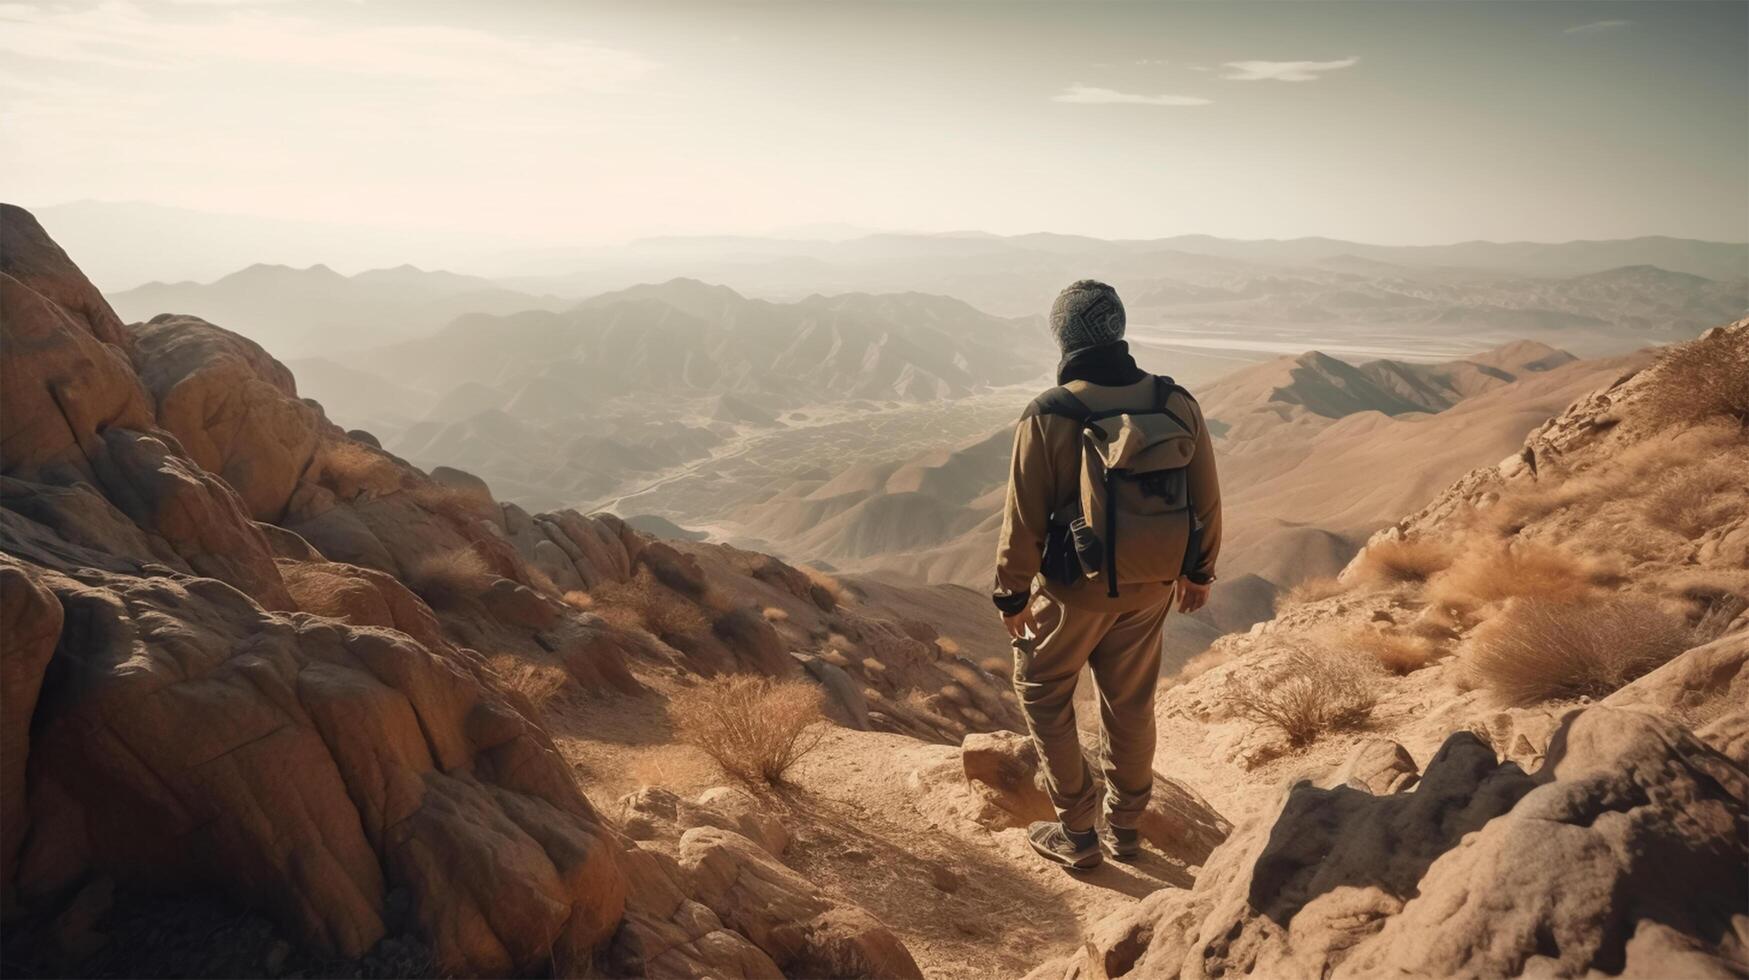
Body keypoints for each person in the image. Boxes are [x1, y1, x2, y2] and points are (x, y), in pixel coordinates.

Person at [993, 279, 1221, 870]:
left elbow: (1023, 516)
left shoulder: (1052, 411)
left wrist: (1011, 593)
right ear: (1117, 330)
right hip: (1152, 587)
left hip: (1074, 591)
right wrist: (1199, 572)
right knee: (1130, 704)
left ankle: (1077, 832)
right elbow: (1207, 499)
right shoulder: (1174, 403)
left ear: (1064, 338)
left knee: (1044, 693)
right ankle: (1124, 828)